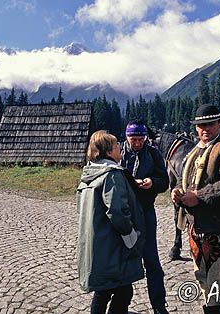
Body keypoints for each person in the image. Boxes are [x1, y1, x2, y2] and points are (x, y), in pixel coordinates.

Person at [171, 104, 220, 314]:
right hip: (196, 230)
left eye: (210, 124)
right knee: (205, 282)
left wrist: (198, 197)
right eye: (200, 125)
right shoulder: (193, 152)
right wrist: (177, 191)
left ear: (219, 124)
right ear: (195, 127)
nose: (205, 128)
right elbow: (182, 180)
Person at [77, 130, 146, 314]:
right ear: (108, 152)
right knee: (121, 290)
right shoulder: (111, 174)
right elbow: (117, 210)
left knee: (105, 290)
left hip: (96, 243)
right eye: (117, 146)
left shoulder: (88, 175)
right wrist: (130, 234)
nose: (120, 149)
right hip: (112, 244)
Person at [120, 121, 170, 314]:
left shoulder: (153, 154)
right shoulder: (118, 153)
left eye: (141, 139)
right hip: (124, 214)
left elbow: (164, 181)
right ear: (127, 137)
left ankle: (159, 306)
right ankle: (121, 306)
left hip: (146, 212)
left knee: (152, 261)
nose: (138, 143)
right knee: (123, 261)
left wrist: (152, 182)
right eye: (134, 140)